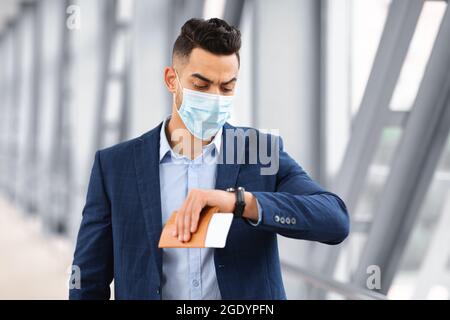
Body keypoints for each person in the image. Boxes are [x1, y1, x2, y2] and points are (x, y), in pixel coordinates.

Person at [69, 18, 349, 300]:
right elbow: (87, 279)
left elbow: (334, 219)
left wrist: (240, 202)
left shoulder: (259, 152)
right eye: (201, 86)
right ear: (171, 80)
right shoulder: (116, 166)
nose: (215, 98)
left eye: (226, 88)